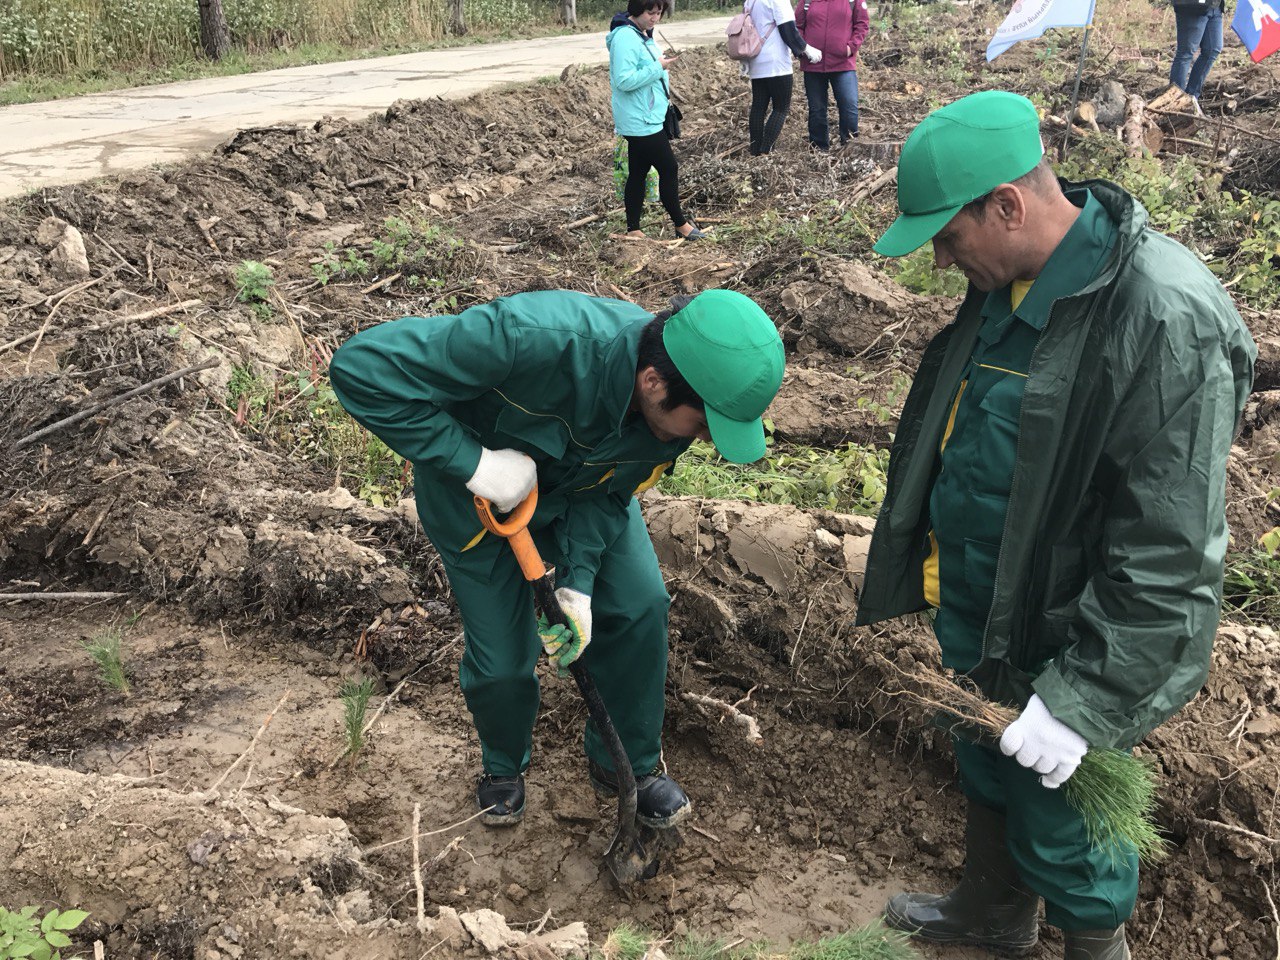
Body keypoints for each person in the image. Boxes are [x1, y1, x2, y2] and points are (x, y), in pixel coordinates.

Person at [856, 90, 1255, 959]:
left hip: (1065, 635)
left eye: (947, 236)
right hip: (984, 609)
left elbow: (1169, 549)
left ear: (1007, 205)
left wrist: (1083, 703)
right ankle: (992, 914)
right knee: (986, 761)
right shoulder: (1004, 285)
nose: (940, 259)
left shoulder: (1161, 315)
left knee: (1066, 817)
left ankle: (1094, 948)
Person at [328, 289, 785, 829]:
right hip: (478, 507)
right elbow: (360, 368)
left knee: (640, 606)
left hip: (584, 500)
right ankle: (503, 766)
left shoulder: (676, 405)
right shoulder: (525, 337)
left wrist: (578, 582)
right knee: (502, 664)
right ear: (653, 382)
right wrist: (474, 463)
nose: (705, 439)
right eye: (704, 426)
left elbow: (614, 489)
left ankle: (626, 765)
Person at [607, 0, 705, 240]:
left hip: (647, 114)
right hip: (639, 118)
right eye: (650, 13)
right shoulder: (625, 38)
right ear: (636, 11)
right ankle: (681, 225)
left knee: (638, 171)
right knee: (669, 168)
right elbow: (623, 80)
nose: (655, 18)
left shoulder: (641, 34)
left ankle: (634, 229)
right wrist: (657, 67)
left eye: (659, 13)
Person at [742, 0, 823, 155]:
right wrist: (806, 49)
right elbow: (788, 30)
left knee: (758, 106)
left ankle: (755, 150)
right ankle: (766, 150)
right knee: (781, 107)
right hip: (776, 62)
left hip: (756, 59)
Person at [795, 0, 870, 151]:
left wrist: (851, 47)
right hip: (813, 64)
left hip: (843, 64)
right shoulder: (807, 1)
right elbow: (797, 26)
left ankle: (850, 148)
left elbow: (862, 24)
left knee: (849, 106)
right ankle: (819, 150)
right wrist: (803, 49)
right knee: (817, 109)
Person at [1170, 0, 1224, 114]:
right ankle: (1174, 104)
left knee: (1213, 49)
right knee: (1185, 54)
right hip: (1193, 6)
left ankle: (1191, 98)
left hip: (1215, 6)